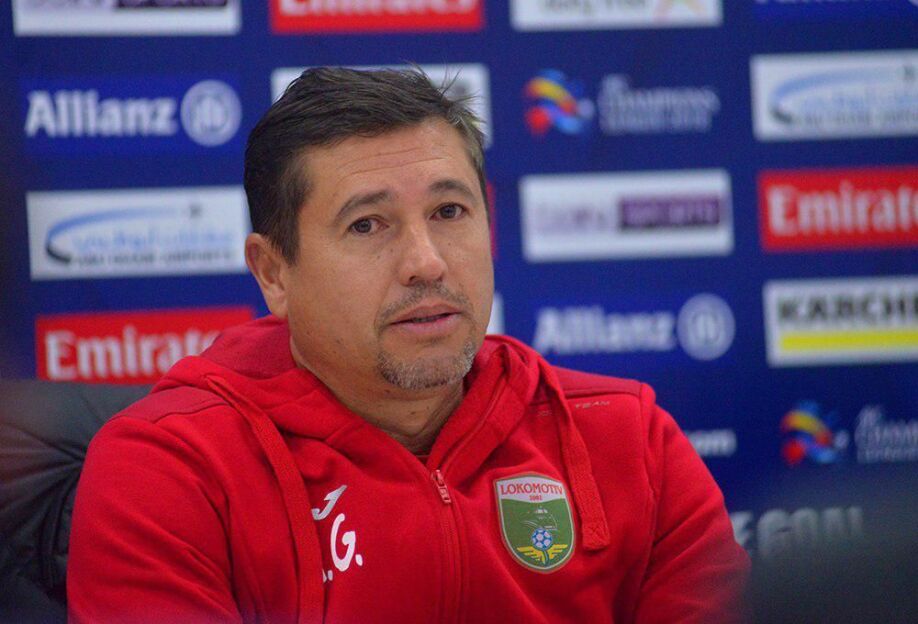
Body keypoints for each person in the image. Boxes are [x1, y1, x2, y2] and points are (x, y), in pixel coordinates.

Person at [67, 67, 749, 623]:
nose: (427, 262)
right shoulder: (169, 471)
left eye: (449, 212)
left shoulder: (629, 440)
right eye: (368, 225)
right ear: (274, 272)